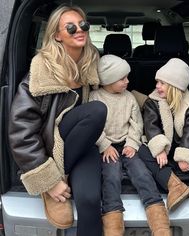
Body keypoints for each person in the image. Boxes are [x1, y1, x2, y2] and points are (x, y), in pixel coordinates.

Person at [8, 4, 107, 236]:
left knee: (90, 199)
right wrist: (49, 180)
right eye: (70, 27)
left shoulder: (90, 63)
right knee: (96, 111)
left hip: (82, 143)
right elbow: (20, 131)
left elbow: (117, 91)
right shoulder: (41, 72)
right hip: (50, 150)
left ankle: (61, 176)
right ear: (56, 36)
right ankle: (53, 179)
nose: (79, 30)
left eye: (83, 25)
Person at [89, 54, 171, 236]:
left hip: (127, 143)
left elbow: (137, 124)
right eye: (122, 78)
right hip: (106, 146)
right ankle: (112, 222)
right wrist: (104, 145)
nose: (127, 81)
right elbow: (91, 126)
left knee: (142, 173)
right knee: (111, 175)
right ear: (109, 80)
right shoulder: (94, 98)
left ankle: (159, 221)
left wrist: (132, 144)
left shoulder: (129, 98)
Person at [139, 58, 189, 212]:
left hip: (183, 145)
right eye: (157, 82)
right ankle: (174, 185)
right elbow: (151, 126)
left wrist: (184, 157)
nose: (157, 86)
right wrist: (159, 149)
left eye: (162, 83)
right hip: (163, 151)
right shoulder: (153, 102)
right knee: (142, 149)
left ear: (175, 86)